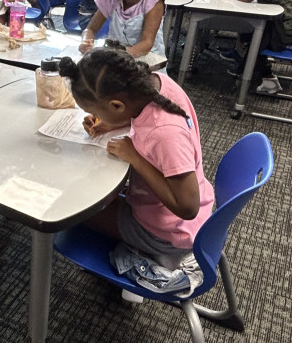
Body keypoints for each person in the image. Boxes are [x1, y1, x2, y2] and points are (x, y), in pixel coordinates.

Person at [58, 41, 214, 278]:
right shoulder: (157, 86)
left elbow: (188, 207)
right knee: (95, 195)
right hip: (178, 213)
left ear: (117, 104)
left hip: (168, 233)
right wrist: (111, 121)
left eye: (98, 112)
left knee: (73, 209)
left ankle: (142, 257)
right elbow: (142, 115)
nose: (97, 118)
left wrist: (134, 157)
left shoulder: (165, 133)